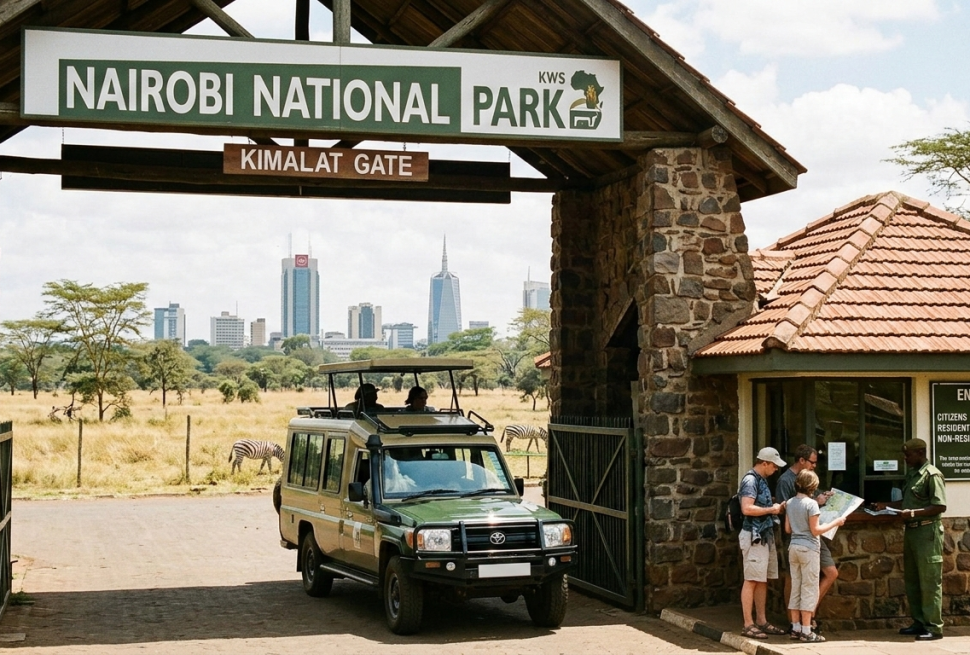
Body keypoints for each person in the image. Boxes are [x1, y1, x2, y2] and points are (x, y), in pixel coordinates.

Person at [879, 438, 946, 641]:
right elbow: (907, 502)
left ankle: (934, 627)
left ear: (921, 452)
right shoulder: (912, 475)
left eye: (908, 455)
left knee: (929, 581)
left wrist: (914, 514)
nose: (905, 458)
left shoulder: (932, 475)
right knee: (914, 580)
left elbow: (939, 506)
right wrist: (886, 505)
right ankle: (919, 621)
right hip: (912, 532)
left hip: (927, 533)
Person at [775, 444, 837, 633]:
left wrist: (822, 498)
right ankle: (801, 623)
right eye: (812, 462)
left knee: (830, 573)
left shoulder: (806, 484)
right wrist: (815, 505)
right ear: (801, 460)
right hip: (804, 538)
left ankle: (805, 618)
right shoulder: (785, 481)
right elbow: (785, 510)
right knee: (795, 580)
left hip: (807, 539)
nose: (814, 466)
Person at [785, 469, 846, 643]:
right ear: (812, 486)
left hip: (794, 547)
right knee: (810, 589)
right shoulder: (811, 504)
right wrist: (836, 521)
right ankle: (806, 630)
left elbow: (787, 529)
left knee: (796, 587)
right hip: (809, 548)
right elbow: (815, 530)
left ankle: (795, 627)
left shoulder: (789, 502)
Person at [739, 446, 788, 640]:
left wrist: (774, 507)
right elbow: (747, 509)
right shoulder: (751, 480)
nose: (775, 469)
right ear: (765, 463)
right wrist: (772, 510)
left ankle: (761, 620)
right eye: (774, 466)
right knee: (751, 579)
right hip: (754, 536)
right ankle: (748, 624)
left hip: (763, 535)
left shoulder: (761, 480)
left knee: (761, 579)